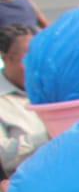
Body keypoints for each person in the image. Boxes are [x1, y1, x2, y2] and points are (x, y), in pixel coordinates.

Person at [0, 23, 48, 177]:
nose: (36, 67)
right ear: (5, 58)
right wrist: (50, 136)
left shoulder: (52, 90)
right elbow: (3, 155)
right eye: (27, 60)